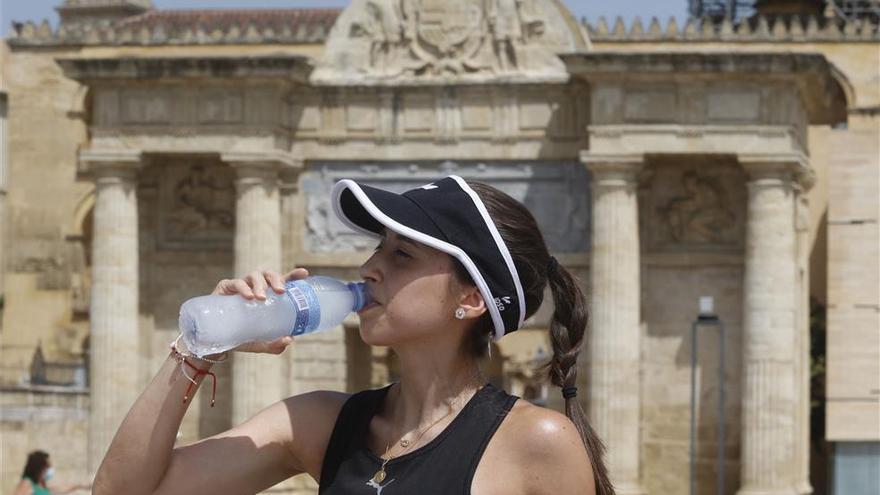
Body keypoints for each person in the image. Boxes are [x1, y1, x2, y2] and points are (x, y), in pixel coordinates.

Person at [92, 176, 614, 495]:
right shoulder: (320, 424)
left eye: (401, 255)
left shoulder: (535, 443)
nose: (369, 268)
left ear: (471, 298)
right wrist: (198, 348)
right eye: (377, 248)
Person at [14, 451, 91, 495]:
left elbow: (62, 488)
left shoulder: (42, 486)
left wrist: (80, 486)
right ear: (39, 467)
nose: (50, 470)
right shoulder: (27, 483)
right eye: (48, 466)